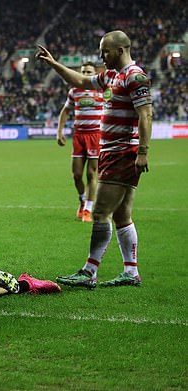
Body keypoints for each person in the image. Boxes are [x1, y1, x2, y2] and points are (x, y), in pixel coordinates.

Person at [36, 30, 153, 288]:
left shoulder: (134, 76)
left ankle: (89, 272)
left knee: (100, 212)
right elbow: (81, 81)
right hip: (113, 151)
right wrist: (54, 64)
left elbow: (145, 115)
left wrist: (143, 152)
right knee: (122, 215)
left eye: (105, 51)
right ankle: (131, 272)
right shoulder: (111, 75)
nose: (102, 56)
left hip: (123, 152)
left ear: (120, 50)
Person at [56, 62, 103, 222]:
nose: (85, 74)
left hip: (96, 136)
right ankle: (83, 200)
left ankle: (88, 209)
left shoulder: (103, 90)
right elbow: (66, 111)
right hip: (79, 136)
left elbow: (113, 105)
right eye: (83, 71)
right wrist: (59, 131)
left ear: (95, 73)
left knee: (91, 174)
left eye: (89, 71)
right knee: (76, 175)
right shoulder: (74, 91)